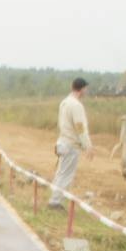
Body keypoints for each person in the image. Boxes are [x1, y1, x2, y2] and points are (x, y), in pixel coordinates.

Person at [50, 77, 92, 207]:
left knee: (61, 173)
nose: (86, 91)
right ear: (82, 89)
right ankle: (55, 202)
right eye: (86, 88)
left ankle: (55, 198)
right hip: (71, 145)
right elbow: (80, 128)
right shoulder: (76, 105)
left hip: (62, 141)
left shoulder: (64, 102)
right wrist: (88, 146)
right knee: (66, 175)